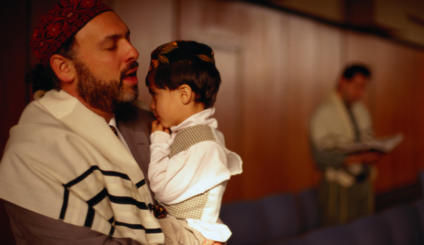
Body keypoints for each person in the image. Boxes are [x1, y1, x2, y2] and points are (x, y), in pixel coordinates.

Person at [0, 1, 218, 244]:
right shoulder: (31, 158)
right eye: (111, 45)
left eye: (128, 39)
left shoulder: (147, 118)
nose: (134, 52)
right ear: (64, 67)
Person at [145, 41, 243, 244]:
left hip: (192, 234)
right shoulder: (191, 134)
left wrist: (159, 142)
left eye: (155, 95)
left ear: (184, 94)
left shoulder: (203, 144)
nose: (151, 105)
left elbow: (161, 188)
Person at [309, 64, 384, 225]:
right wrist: (355, 159)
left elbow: (366, 140)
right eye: (357, 86)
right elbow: (320, 156)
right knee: (340, 233)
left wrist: (373, 153)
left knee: (365, 229)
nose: (360, 92)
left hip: (363, 180)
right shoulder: (324, 113)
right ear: (343, 82)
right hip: (339, 186)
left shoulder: (360, 110)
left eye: (363, 87)